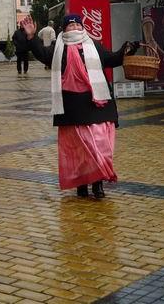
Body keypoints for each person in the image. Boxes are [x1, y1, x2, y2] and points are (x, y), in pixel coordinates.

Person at [21, 14, 137, 199]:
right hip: (72, 107)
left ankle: (97, 183)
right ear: (64, 29)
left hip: (96, 103)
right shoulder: (58, 48)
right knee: (78, 148)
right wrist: (31, 37)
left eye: (77, 25)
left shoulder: (94, 45)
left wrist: (127, 50)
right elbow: (42, 55)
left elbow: (112, 59)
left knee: (99, 145)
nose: (75, 28)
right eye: (70, 25)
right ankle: (82, 184)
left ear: (82, 27)